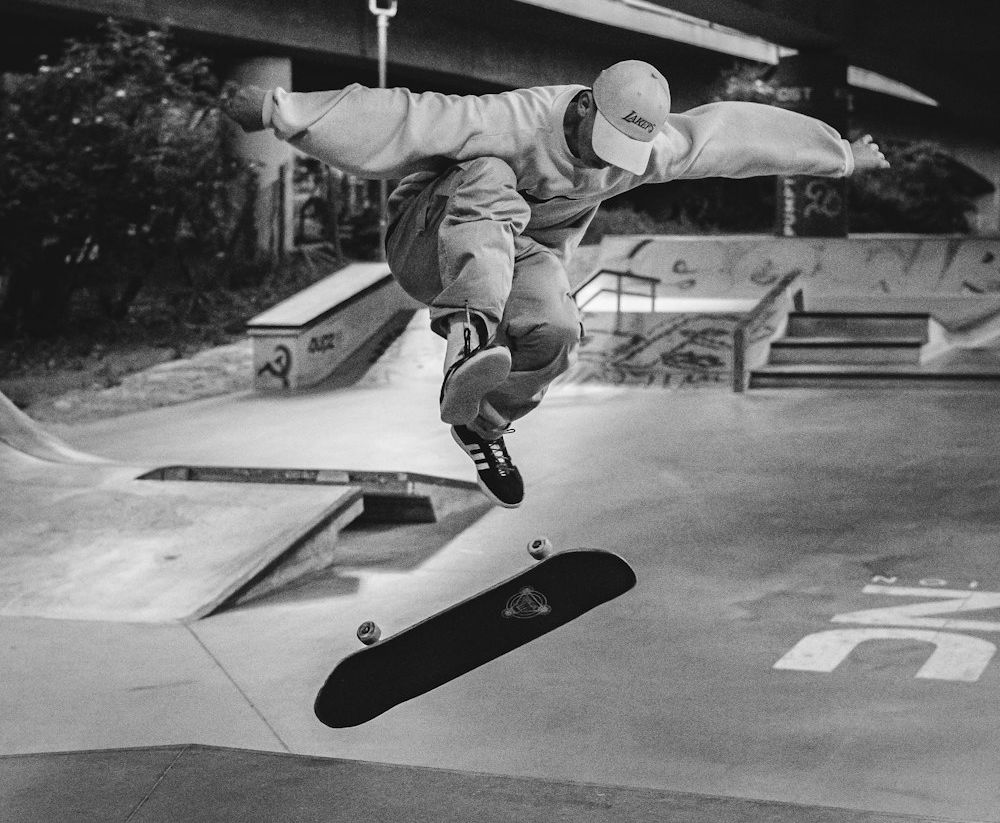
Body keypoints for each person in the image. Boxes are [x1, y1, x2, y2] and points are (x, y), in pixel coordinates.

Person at [223, 59, 889, 507]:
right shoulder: (513, 120)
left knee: (557, 331)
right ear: (582, 111)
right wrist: (282, 110)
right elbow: (406, 116)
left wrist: (840, 157)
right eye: (598, 142)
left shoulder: (645, 148)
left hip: (520, 253)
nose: (605, 164)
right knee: (489, 179)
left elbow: (735, 135)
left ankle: (484, 423)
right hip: (430, 240)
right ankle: (471, 333)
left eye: (620, 154)